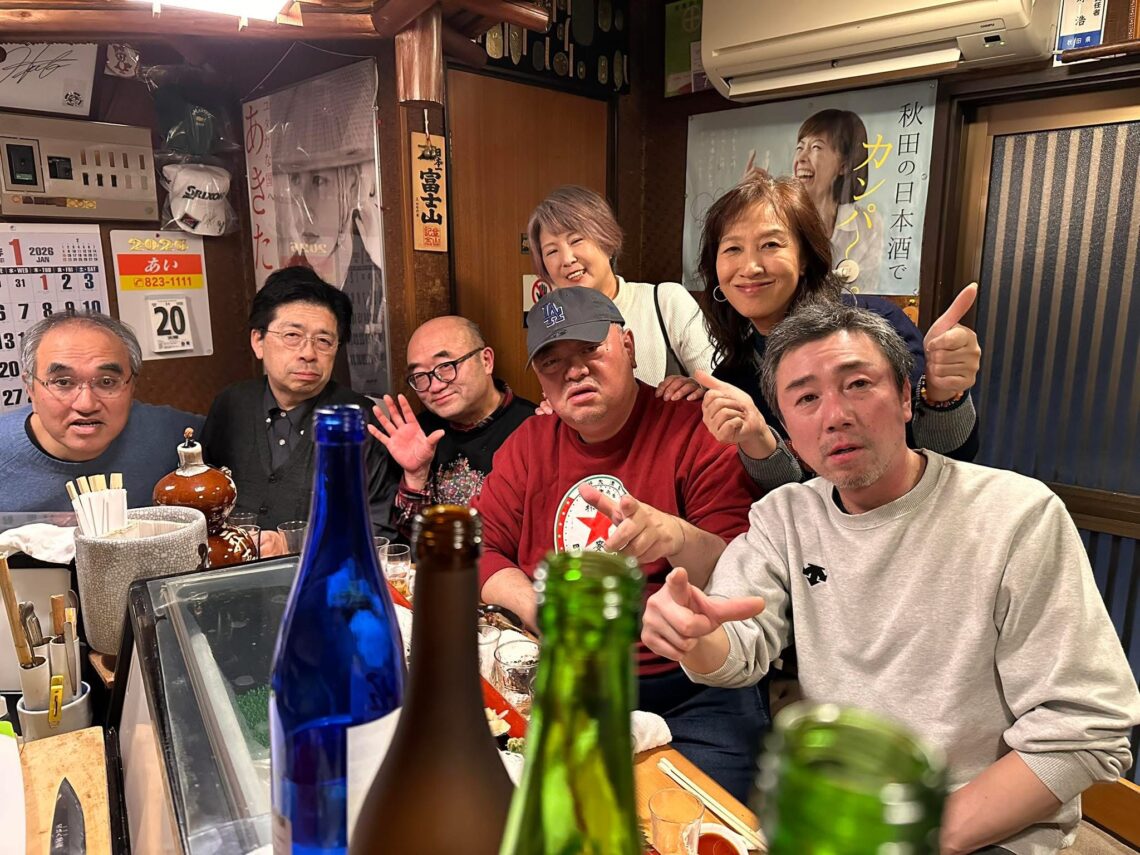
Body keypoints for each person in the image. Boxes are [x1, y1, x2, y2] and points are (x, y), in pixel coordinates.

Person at [642, 303, 1140, 855]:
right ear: (786, 429)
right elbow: (738, 645)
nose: (835, 415)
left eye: (857, 384)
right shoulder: (785, 516)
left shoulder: (1015, 515)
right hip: (844, 819)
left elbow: (1085, 725)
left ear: (906, 397)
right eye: (805, 398)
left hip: (979, 829)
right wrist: (695, 637)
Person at [473, 286, 766, 801]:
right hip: (566, 678)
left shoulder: (695, 430)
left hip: (690, 687)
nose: (574, 371)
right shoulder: (529, 445)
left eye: (591, 349)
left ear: (628, 346)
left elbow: (738, 566)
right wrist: (539, 607)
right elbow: (480, 548)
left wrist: (674, 535)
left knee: (694, 825)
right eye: (552, 361)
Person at [698, 173, 981, 491]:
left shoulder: (873, 325)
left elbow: (949, 456)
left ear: (804, 258)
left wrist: (943, 391)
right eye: (733, 249)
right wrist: (754, 437)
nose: (750, 267)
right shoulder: (734, 377)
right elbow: (794, 496)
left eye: (770, 245)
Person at [200, 267, 398, 551]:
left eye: (324, 341)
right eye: (292, 335)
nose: (308, 353)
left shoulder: (360, 420)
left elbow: (378, 530)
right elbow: (204, 500)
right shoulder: (231, 404)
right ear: (258, 341)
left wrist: (292, 543)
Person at [0, 312, 201, 512]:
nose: (86, 405)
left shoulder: (174, 435)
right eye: (63, 382)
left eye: (106, 382)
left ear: (132, 387)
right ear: (30, 388)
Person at [528, 185, 713, 397]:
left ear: (606, 241)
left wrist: (697, 388)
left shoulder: (666, 301)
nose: (567, 259)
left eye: (576, 240)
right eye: (552, 251)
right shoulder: (554, 324)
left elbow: (722, 384)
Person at [369, 315, 534, 539]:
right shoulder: (418, 433)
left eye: (446, 366)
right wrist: (415, 476)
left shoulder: (535, 427)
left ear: (486, 361)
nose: (435, 386)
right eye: (419, 375)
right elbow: (408, 541)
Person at [747, 108, 884, 288]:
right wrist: (748, 206)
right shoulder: (774, 216)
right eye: (800, 147)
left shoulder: (867, 225)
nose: (801, 158)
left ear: (844, 165)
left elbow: (866, 291)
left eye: (816, 147)